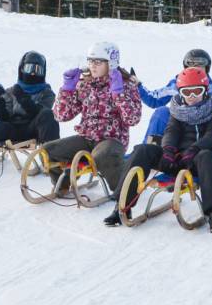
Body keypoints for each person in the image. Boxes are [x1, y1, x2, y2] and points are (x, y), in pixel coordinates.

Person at [105, 67, 212, 233]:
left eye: (197, 91)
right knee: (143, 150)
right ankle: (122, 206)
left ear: (206, 91)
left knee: (209, 157)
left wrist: (194, 150)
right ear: (180, 92)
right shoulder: (177, 110)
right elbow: (171, 132)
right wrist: (168, 152)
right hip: (176, 160)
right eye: (187, 92)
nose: (192, 97)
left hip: (198, 161)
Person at [42, 42, 141, 198]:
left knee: (102, 155)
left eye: (98, 62)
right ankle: (63, 184)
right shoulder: (85, 84)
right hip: (87, 137)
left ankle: (125, 190)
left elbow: (133, 119)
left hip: (112, 140)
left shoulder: (127, 85)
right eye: (90, 61)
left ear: (111, 62)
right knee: (47, 150)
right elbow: (61, 115)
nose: (92, 66)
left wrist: (119, 93)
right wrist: (67, 90)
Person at [133, 48, 212, 145]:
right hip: (178, 127)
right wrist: (138, 86)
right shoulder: (176, 85)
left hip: (202, 132)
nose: (195, 67)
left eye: (200, 64)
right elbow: (154, 100)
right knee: (161, 112)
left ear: (207, 68)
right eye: (191, 64)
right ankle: (149, 147)